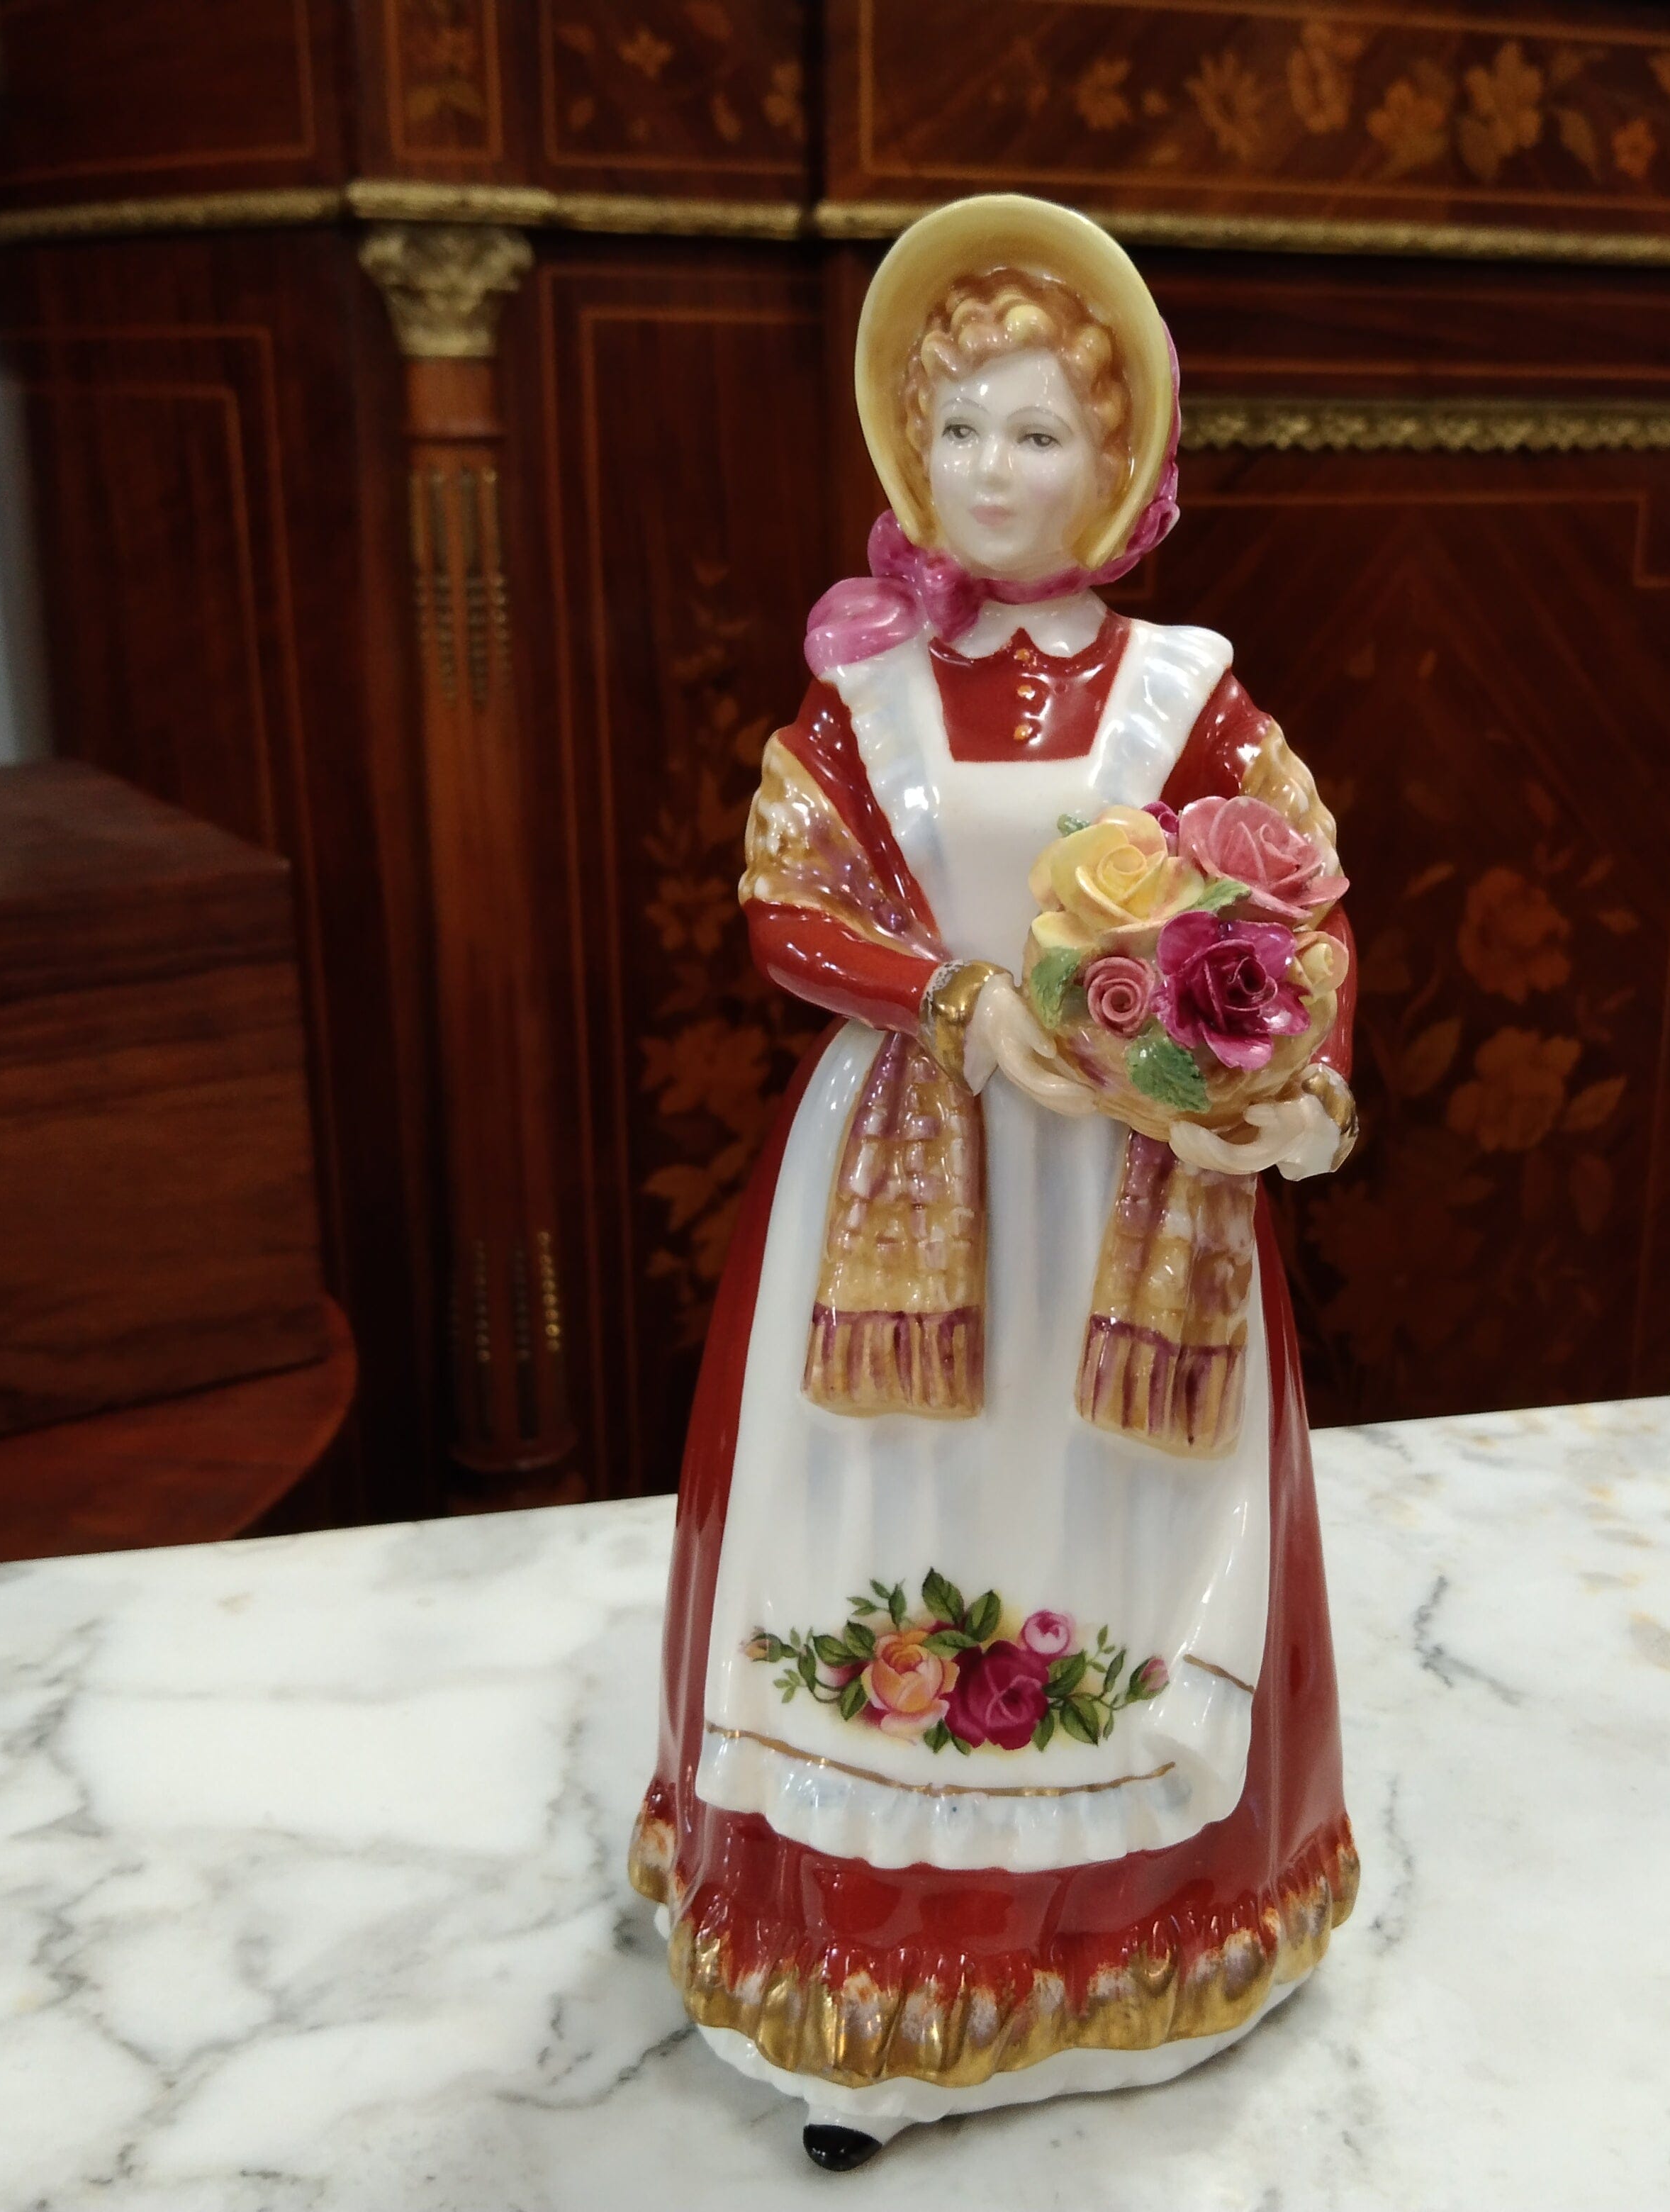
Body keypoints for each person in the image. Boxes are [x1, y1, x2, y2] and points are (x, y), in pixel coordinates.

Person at [629, 193, 1360, 2169]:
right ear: (906, 449)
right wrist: (954, 1003)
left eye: (1039, 430)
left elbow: (1300, 906)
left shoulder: (1184, 693)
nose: (992, 468)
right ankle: (876, 1949)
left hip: (1129, 1192)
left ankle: (1128, 1928)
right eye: (957, 429)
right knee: (887, 1508)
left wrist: (1279, 1078)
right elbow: (786, 904)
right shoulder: (864, 696)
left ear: (1120, 457)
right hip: (907, 1179)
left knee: (1111, 1520)